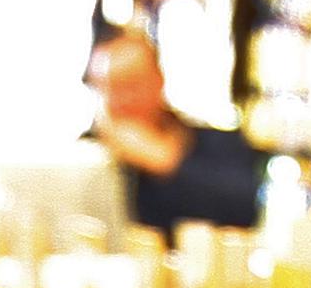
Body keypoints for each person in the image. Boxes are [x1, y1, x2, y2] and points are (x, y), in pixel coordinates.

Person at [90, 25, 265, 233]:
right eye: (109, 88)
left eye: (131, 85)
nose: (122, 100)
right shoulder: (88, 156)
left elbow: (251, 207)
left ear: (159, 79)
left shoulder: (217, 142)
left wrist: (163, 162)